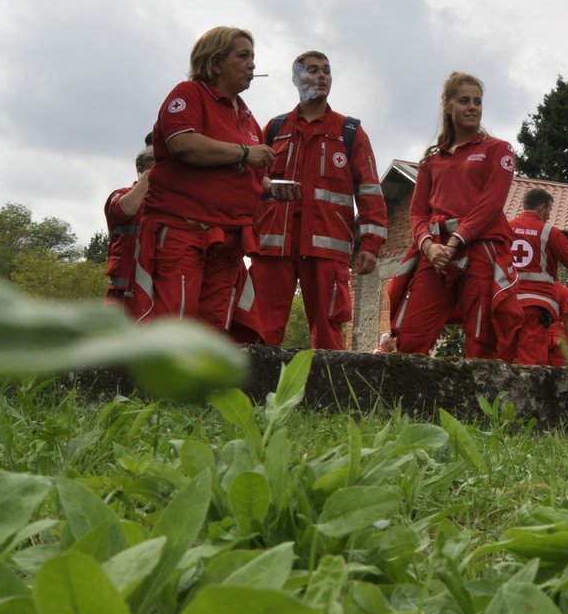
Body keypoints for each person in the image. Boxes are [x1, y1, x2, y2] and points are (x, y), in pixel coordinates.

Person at [131, 26, 296, 337]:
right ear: (216, 62)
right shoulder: (188, 94)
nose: (252, 65)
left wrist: (271, 188)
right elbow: (184, 145)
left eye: (253, 57)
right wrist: (246, 152)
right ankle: (163, 386)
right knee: (175, 324)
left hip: (228, 241)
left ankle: (200, 387)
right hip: (184, 231)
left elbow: (246, 177)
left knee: (212, 330)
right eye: (243, 56)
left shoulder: (247, 116)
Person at [251, 50, 389, 350]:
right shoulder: (274, 130)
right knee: (260, 330)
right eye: (312, 70)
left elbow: (369, 191)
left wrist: (371, 244)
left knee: (328, 335)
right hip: (274, 246)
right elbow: (250, 184)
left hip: (326, 248)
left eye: (326, 70)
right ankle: (252, 395)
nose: (321, 75)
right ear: (296, 79)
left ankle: (328, 396)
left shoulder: (349, 132)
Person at [385, 72, 527, 362]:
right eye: (464, 101)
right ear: (448, 106)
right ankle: (409, 404)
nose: (473, 107)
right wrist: (428, 246)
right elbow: (417, 212)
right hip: (435, 252)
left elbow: (491, 204)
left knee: (483, 337)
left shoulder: (498, 150)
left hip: (480, 250)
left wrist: (454, 242)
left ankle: (483, 406)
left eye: (477, 101)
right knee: (411, 334)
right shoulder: (432, 159)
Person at [506, 188, 568, 366]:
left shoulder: (506, 228)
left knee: (503, 356)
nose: (549, 216)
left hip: (506, 301)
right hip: (535, 306)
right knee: (532, 361)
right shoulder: (548, 231)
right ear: (543, 207)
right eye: (549, 211)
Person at [103, 144, 153, 310]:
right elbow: (122, 211)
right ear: (140, 169)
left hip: (155, 293)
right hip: (121, 295)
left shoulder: (172, 202)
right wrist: (146, 181)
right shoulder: (120, 195)